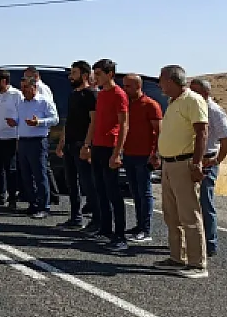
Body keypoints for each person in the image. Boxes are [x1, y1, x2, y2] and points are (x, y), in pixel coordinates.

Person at [155, 65, 210, 279]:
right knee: (171, 214)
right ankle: (177, 257)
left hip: (183, 163)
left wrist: (197, 164)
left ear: (171, 80)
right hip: (168, 164)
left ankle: (197, 263)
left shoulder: (193, 100)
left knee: (189, 214)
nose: (159, 84)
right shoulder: (173, 102)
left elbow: (202, 132)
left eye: (161, 80)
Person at [82, 59, 130, 252]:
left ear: (110, 74)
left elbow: (124, 124)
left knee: (113, 193)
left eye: (100, 73)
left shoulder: (119, 94)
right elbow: (94, 123)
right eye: (95, 73)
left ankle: (120, 235)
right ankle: (105, 228)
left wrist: (118, 153)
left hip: (111, 147)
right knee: (99, 189)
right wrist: (88, 144)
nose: (96, 77)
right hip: (98, 147)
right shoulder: (101, 95)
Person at [190, 78, 227, 257]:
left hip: (207, 160)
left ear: (206, 93)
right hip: (191, 159)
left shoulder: (214, 111)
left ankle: (210, 243)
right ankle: (193, 241)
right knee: (189, 203)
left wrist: (217, 159)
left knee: (205, 202)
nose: (191, 94)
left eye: (195, 91)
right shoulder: (191, 106)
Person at [121, 74, 162, 243]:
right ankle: (138, 225)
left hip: (144, 156)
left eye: (128, 86)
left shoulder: (151, 105)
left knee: (144, 193)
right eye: (124, 86)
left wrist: (156, 154)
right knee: (135, 192)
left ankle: (145, 229)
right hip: (129, 154)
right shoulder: (127, 105)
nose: (125, 89)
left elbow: (159, 132)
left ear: (138, 86)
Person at [56, 61, 97, 230]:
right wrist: (61, 142)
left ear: (84, 75)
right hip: (70, 145)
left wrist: (87, 145)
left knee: (87, 183)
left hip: (82, 145)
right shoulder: (73, 94)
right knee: (71, 184)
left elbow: (93, 122)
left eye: (74, 73)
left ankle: (97, 219)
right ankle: (75, 218)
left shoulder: (91, 94)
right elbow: (69, 122)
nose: (70, 76)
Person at [17, 78, 59, 218]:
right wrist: (14, 122)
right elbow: (20, 120)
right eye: (21, 87)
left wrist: (39, 122)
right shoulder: (21, 103)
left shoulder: (44, 101)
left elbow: (55, 119)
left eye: (25, 87)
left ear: (34, 87)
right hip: (23, 141)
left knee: (40, 175)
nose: (22, 90)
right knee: (26, 175)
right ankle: (33, 203)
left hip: (38, 141)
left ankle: (44, 206)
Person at [23, 66, 61, 205]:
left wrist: (39, 122)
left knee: (41, 170)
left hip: (39, 135)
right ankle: (34, 200)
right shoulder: (22, 101)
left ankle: (48, 199)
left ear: (35, 76)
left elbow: (50, 114)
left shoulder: (42, 91)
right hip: (25, 138)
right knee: (30, 172)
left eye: (28, 77)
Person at [0, 70, 22, 206]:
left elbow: (22, 113)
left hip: (10, 137)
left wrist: (16, 124)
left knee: (10, 169)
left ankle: (12, 197)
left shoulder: (16, 94)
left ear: (4, 81)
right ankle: (0, 195)